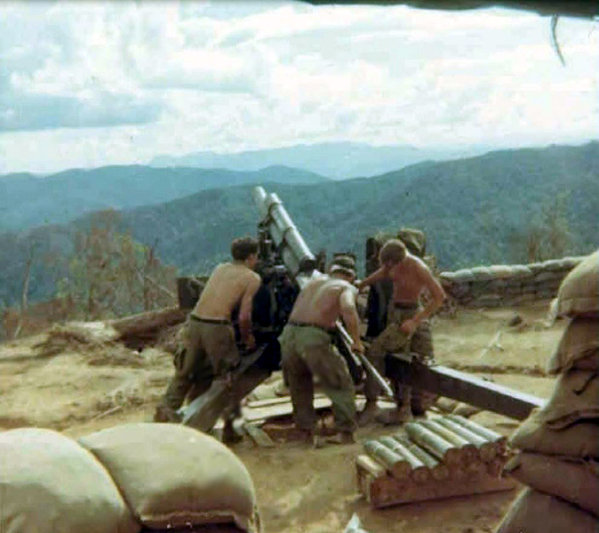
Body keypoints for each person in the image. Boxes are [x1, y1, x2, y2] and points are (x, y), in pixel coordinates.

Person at [154, 237, 262, 442]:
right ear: (251, 257)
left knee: (185, 373)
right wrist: (248, 338)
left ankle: (163, 418)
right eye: (256, 256)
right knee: (228, 380)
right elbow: (244, 316)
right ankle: (229, 430)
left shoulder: (220, 268)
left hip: (193, 325)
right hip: (217, 328)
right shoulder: (252, 278)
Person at [358, 238, 446, 424]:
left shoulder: (419, 268)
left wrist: (415, 321)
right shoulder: (392, 265)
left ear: (395, 260)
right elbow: (383, 272)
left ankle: (406, 407)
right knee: (388, 355)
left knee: (409, 358)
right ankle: (383, 403)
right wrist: (362, 284)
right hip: (394, 311)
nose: (388, 269)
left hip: (411, 312)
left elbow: (439, 297)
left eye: (389, 264)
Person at [278, 257, 365, 446]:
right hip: (312, 336)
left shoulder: (313, 283)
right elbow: (349, 308)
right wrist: (357, 341)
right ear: (351, 275)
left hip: (289, 334)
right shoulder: (344, 286)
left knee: (299, 383)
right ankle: (346, 433)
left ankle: (305, 432)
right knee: (339, 382)